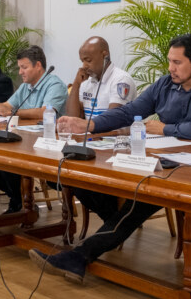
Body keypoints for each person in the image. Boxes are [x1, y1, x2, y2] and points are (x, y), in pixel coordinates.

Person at [29, 33, 191, 283]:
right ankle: (80, 257)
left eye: (177, 62)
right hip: (171, 162)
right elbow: (131, 111)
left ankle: (80, 256)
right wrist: (89, 124)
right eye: (169, 61)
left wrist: (164, 128)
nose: (170, 68)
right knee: (137, 199)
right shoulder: (165, 84)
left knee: (137, 204)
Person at [0, 45, 67, 215]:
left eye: (24, 67)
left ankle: (21, 201)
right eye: (20, 68)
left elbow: (45, 112)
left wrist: (12, 111)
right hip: (26, 140)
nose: (20, 72)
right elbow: (8, 105)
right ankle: (18, 198)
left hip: (48, 144)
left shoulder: (55, 84)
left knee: (6, 159)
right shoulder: (27, 86)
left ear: (38, 66)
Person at [58, 36, 137, 222]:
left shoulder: (121, 80)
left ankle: (114, 223)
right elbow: (73, 119)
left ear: (105, 55)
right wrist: (76, 84)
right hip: (95, 148)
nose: (84, 66)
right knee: (69, 177)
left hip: (118, 148)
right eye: (82, 61)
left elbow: (113, 120)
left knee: (82, 180)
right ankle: (113, 222)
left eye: (88, 60)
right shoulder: (87, 83)